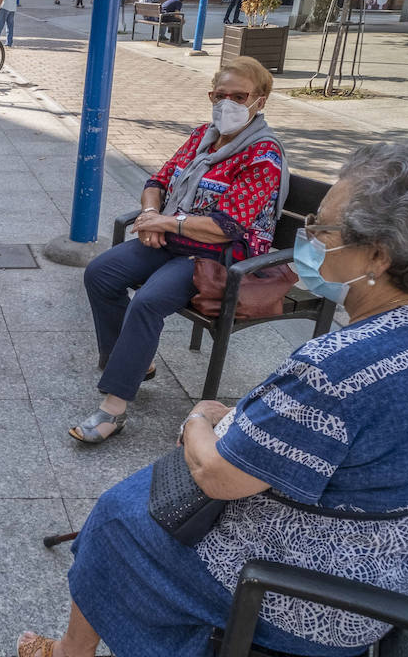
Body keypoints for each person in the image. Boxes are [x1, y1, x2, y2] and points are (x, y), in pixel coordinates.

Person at [19, 139, 408, 657]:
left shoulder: (341, 366)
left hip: (325, 600)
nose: (306, 245)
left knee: (120, 515)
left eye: (323, 233)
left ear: (379, 256)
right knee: (148, 500)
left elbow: (219, 476)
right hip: (390, 563)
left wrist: (198, 415)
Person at [72, 57, 284, 443]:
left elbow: (228, 227)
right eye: (220, 96)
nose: (227, 104)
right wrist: (152, 212)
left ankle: (113, 410)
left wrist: (166, 223)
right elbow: (158, 180)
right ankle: (137, 362)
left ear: (261, 101)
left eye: (239, 96)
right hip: (174, 238)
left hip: (217, 257)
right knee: (100, 272)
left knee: (148, 301)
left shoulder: (263, 155)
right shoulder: (202, 136)